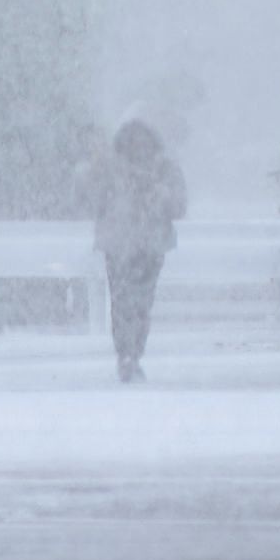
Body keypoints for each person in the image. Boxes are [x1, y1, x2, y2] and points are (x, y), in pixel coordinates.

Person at [90, 115, 187, 382]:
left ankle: (129, 353)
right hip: (128, 245)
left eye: (142, 143)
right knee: (130, 303)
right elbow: (94, 200)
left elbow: (179, 205)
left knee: (133, 303)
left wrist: (160, 196)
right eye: (134, 143)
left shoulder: (160, 169)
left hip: (139, 246)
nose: (139, 148)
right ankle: (128, 354)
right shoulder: (115, 169)